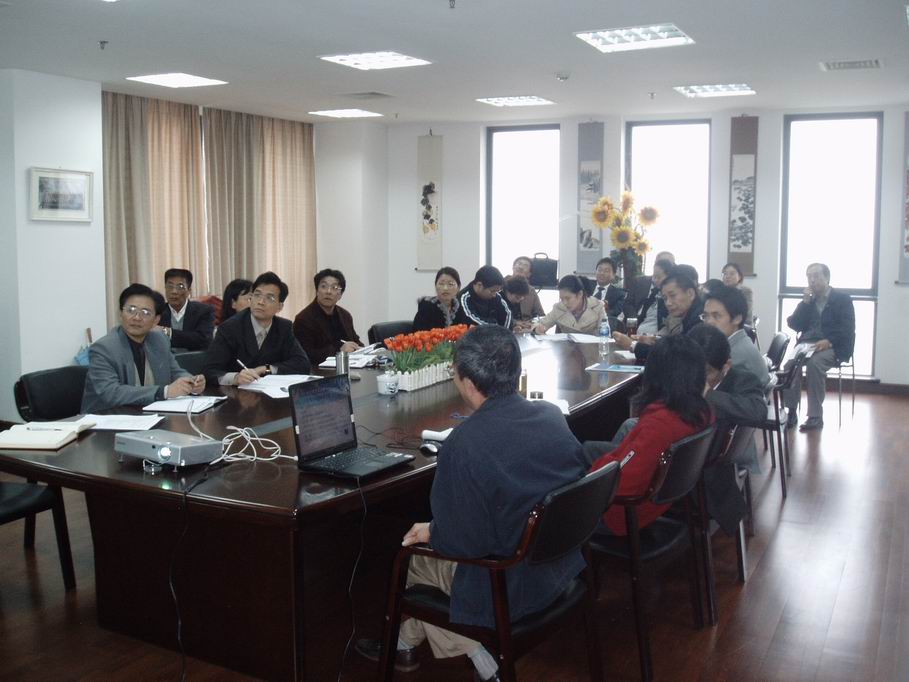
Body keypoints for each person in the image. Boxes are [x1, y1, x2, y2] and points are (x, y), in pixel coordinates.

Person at [354, 325, 588, 680]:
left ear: (466, 382)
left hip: (508, 581)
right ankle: (403, 642)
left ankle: (483, 661)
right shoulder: (550, 415)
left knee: (412, 560)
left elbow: (464, 545)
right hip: (561, 564)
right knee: (428, 553)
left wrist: (433, 531)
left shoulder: (464, 444)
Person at [588, 335, 714, 535]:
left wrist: (594, 471)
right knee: (588, 449)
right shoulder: (703, 411)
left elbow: (621, 485)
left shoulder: (659, 424)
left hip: (625, 516)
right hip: (660, 500)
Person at [687, 324, 767, 533]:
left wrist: (709, 395)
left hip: (705, 474)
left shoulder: (742, 379)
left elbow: (758, 412)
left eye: (706, 372)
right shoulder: (682, 378)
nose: (697, 379)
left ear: (726, 366)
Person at [81, 284, 205, 412]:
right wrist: (164, 392)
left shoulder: (159, 340)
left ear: (156, 320)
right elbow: (111, 393)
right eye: (131, 310)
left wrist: (191, 382)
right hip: (104, 418)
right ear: (121, 313)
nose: (137, 317)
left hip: (146, 414)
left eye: (145, 313)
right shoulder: (104, 348)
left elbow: (174, 372)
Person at [204, 271, 311, 385]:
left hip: (270, 391)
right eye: (257, 295)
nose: (260, 302)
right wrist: (235, 378)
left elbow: (303, 364)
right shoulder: (230, 328)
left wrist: (267, 369)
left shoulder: (283, 327)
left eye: (269, 298)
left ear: (280, 307)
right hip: (236, 392)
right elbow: (209, 371)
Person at [783, 263, 855, 431]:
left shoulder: (842, 299)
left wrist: (829, 341)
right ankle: (791, 411)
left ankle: (815, 416)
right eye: (809, 276)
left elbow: (847, 328)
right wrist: (805, 303)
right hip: (808, 343)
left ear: (827, 278)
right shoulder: (809, 300)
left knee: (814, 365)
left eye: (816, 276)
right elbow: (794, 324)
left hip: (833, 345)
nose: (812, 280)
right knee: (789, 365)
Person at [613, 272, 703, 362]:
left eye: (673, 295)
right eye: (665, 298)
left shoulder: (699, 320)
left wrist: (633, 345)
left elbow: (678, 356)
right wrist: (656, 340)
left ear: (690, 294)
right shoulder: (689, 314)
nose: (668, 303)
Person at [701, 285, 769, 387]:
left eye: (716, 316)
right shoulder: (739, 342)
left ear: (737, 318)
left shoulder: (735, 356)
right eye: (706, 316)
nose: (709, 322)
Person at [292, 268, 363, 365]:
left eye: (334, 288)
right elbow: (306, 355)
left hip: (349, 367)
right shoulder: (303, 319)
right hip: (319, 371)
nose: (328, 292)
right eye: (323, 286)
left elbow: (355, 341)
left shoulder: (345, 315)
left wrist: (361, 349)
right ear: (317, 291)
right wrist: (339, 350)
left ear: (340, 295)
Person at [155, 268, 215, 350]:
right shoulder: (158, 311)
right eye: (170, 286)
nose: (174, 291)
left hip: (194, 357)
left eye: (180, 287)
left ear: (189, 291)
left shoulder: (204, 311)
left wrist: (168, 332)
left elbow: (203, 340)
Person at [533, 274, 605, 335]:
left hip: (592, 347)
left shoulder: (597, 306)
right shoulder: (558, 308)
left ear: (580, 294)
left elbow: (605, 333)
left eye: (568, 298)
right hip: (567, 346)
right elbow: (541, 324)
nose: (564, 303)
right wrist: (538, 329)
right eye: (562, 299)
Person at [626, 250, 675, 318]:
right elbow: (628, 304)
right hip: (633, 320)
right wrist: (633, 319)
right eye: (661, 262)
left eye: (668, 264)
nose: (664, 265)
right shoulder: (638, 282)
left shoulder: (674, 290)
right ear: (655, 263)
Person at [412, 267, 461, 332]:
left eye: (450, 284)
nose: (445, 288)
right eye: (441, 284)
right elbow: (418, 335)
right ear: (435, 286)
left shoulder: (461, 309)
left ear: (458, 287)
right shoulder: (426, 308)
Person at [633, 258, 674, 335]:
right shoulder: (654, 293)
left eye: (658, 277)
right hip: (639, 334)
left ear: (669, 277)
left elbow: (667, 326)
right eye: (654, 277)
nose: (655, 280)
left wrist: (655, 337)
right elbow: (642, 316)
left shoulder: (670, 300)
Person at [588, 257, 627, 326]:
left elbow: (614, 313)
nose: (602, 273)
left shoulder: (619, 295)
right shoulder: (585, 286)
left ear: (613, 275)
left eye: (606, 271)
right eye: (599, 270)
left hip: (603, 324)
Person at [511, 256, 544, 321]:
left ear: (529, 274)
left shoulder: (531, 290)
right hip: (505, 324)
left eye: (525, 265)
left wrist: (532, 323)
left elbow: (540, 315)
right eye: (519, 263)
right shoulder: (502, 286)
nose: (521, 267)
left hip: (526, 324)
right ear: (513, 267)